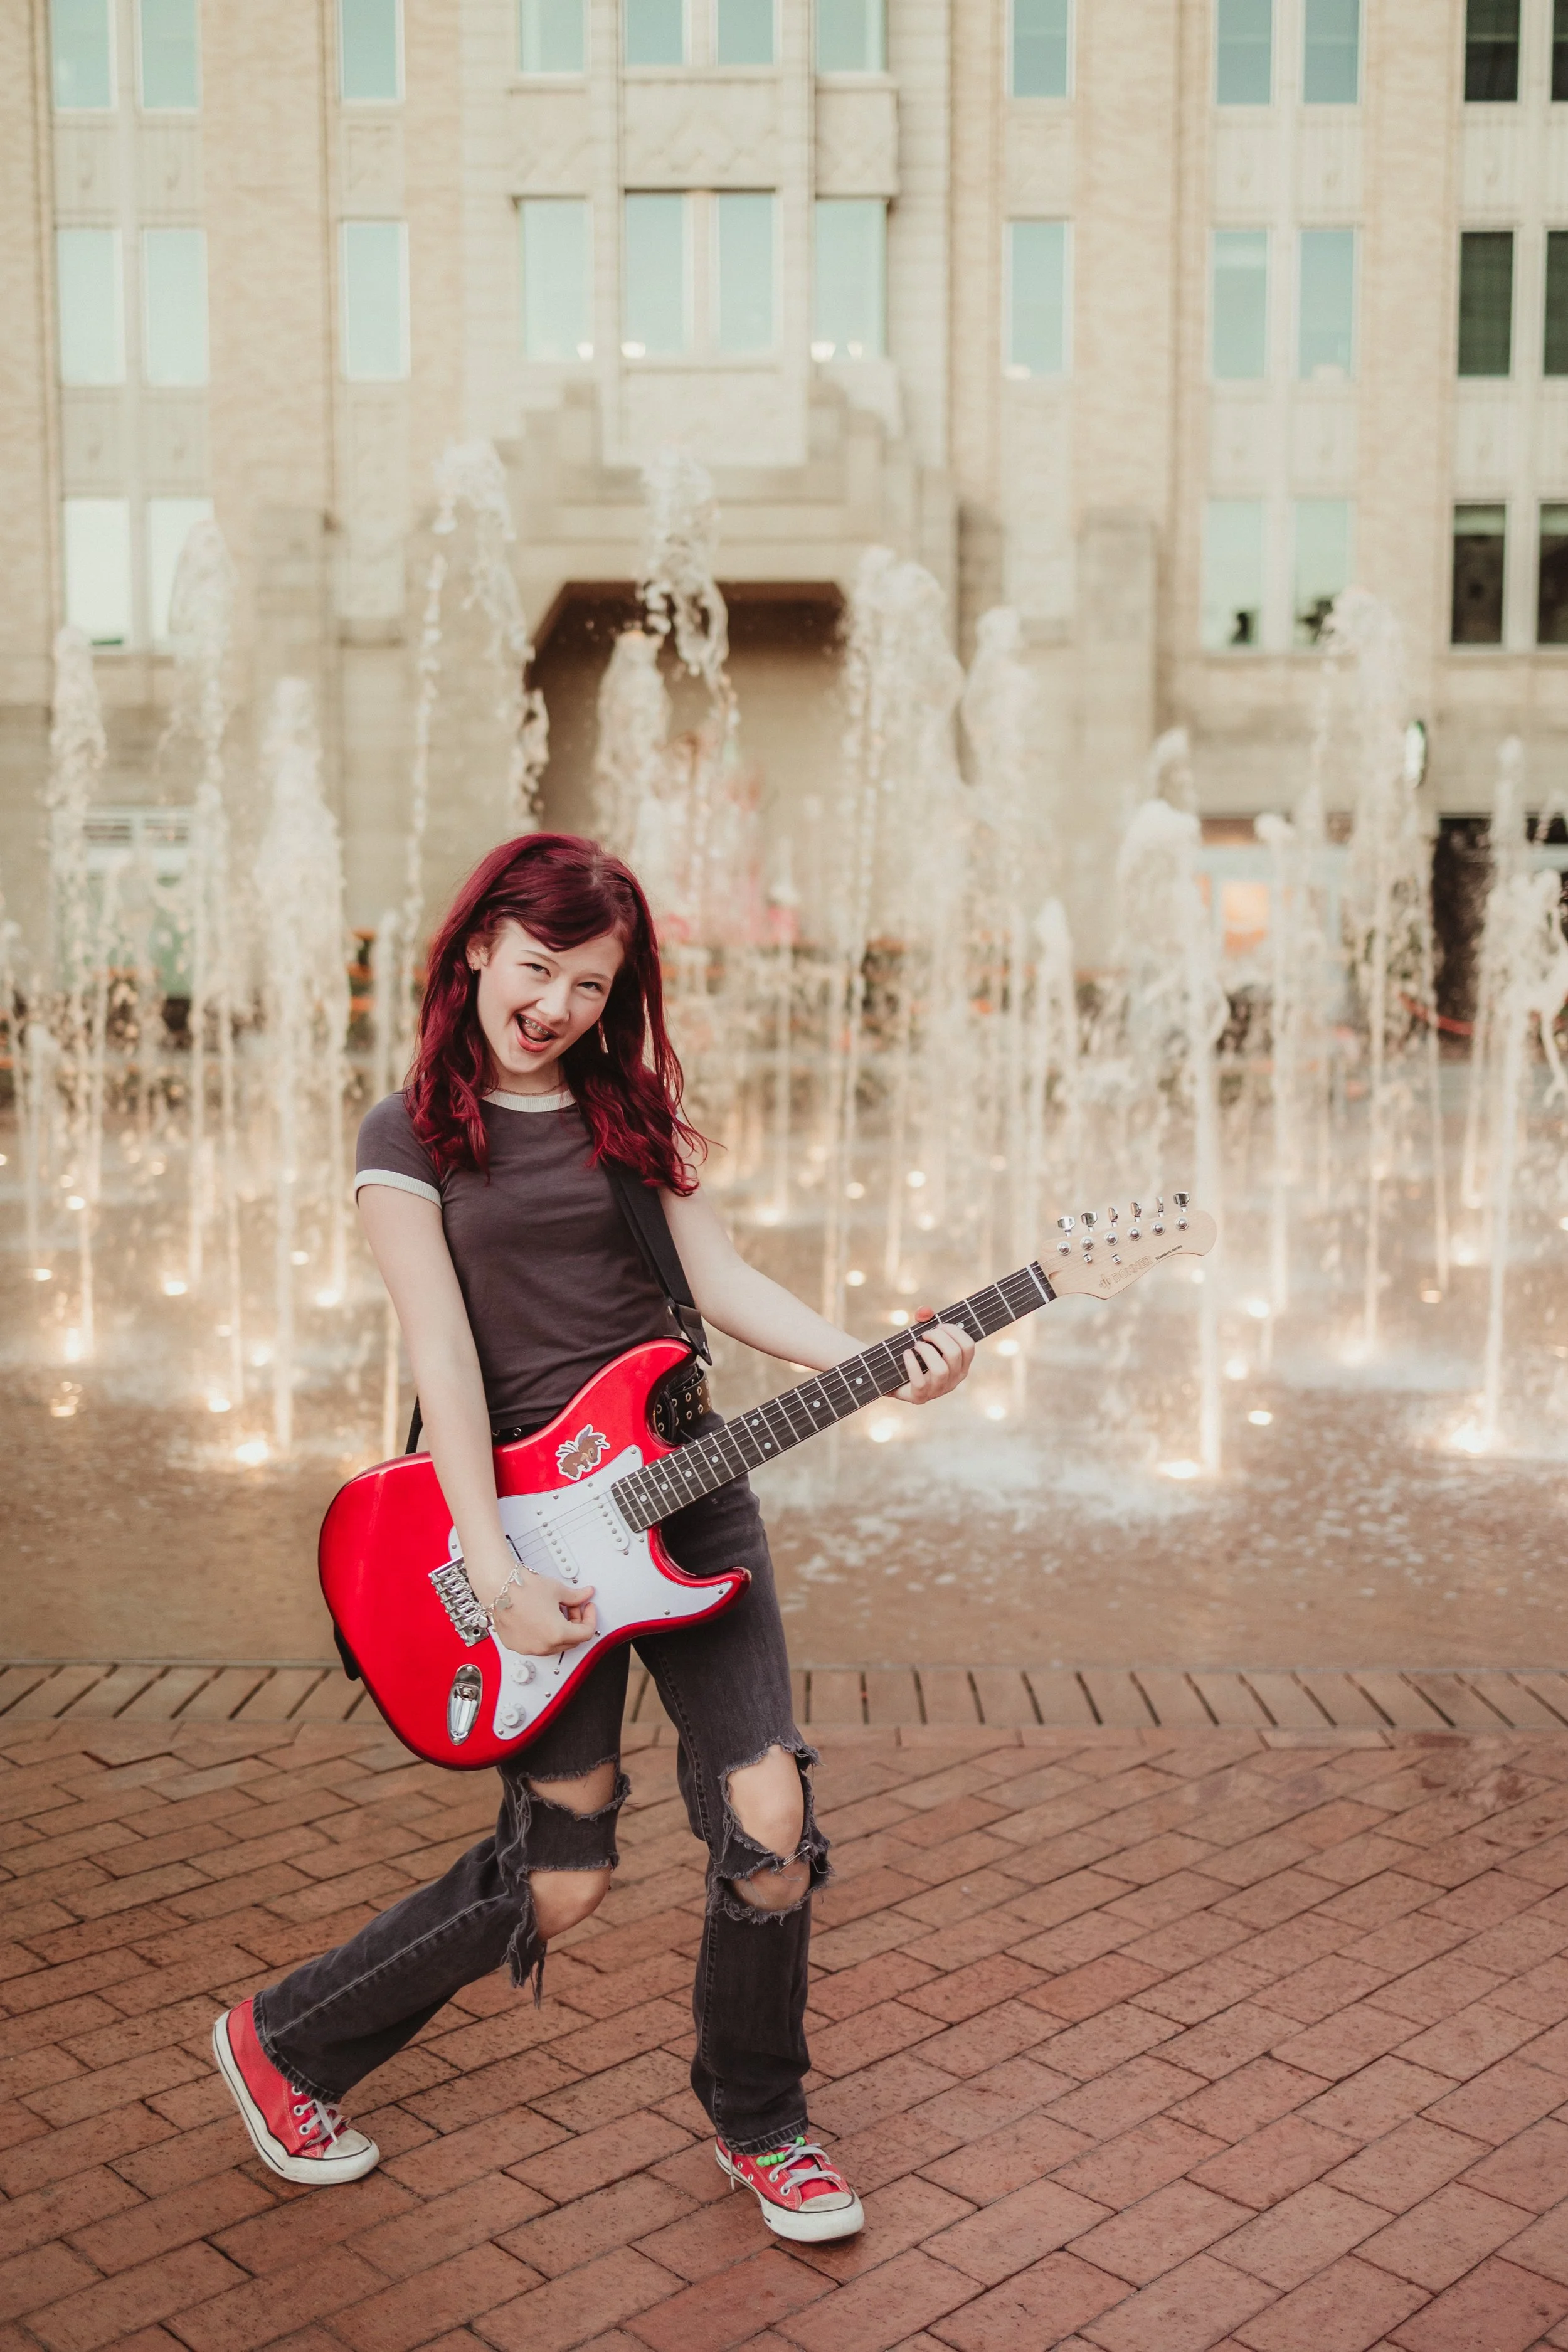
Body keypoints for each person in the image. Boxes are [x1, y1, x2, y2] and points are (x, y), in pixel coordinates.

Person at [211, 832, 973, 2244]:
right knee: (561, 1879)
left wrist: (886, 1350)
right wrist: (492, 1570)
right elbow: (441, 1359)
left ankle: (765, 2123)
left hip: (690, 1495)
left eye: (590, 982)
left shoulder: (634, 1111)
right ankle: (286, 2041)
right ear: (480, 948)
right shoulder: (409, 1138)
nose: (555, 1003)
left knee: (770, 1813)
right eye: (539, 966)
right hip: (522, 1536)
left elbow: (718, 1276)